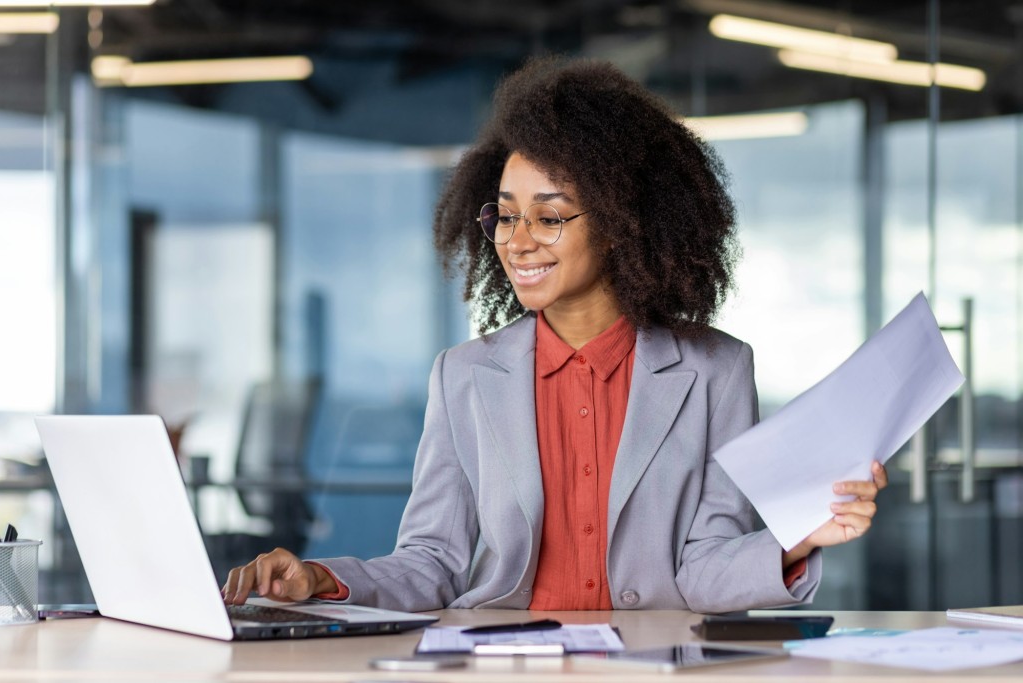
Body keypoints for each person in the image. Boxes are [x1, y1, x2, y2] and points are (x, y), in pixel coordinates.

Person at [222, 57, 887, 613]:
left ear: (625, 220)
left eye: (551, 217)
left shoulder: (716, 369)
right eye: (506, 217)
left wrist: (798, 538)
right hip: (501, 661)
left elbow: (704, 567)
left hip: (655, 663)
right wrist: (320, 577)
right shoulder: (463, 375)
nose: (519, 242)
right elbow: (433, 562)